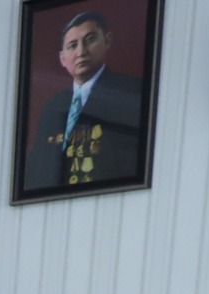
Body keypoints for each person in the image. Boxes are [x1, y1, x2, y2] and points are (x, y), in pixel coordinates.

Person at [23, 9, 144, 193]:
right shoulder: (53, 106)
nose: (81, 52)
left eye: (90, 39)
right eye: (72, 45)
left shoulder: (131, 93)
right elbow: (36, 169)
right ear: (62, 59)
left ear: (107, 41)